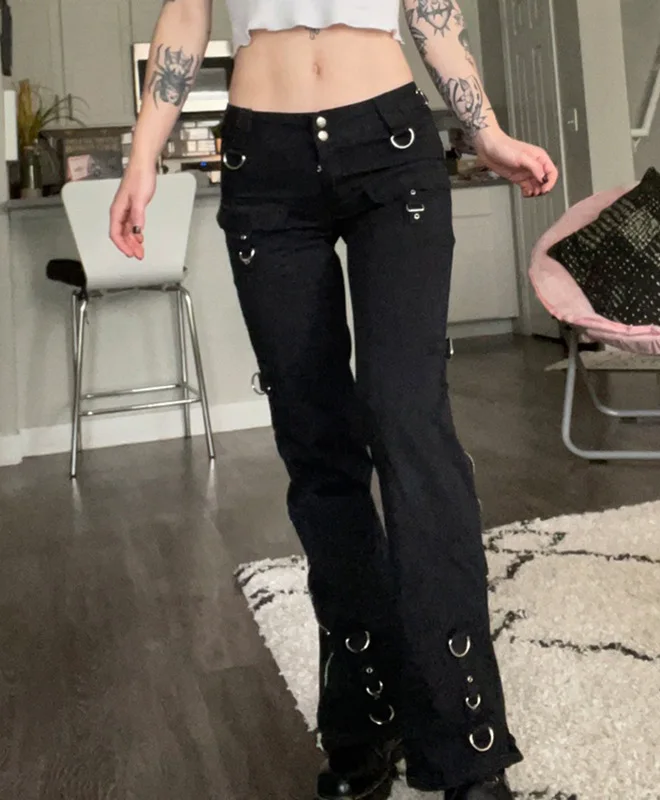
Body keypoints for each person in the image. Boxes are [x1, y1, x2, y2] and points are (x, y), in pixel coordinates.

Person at [110, 2, 558, 798]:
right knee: (316, 444)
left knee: (409, 426)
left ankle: (466, 740)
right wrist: (144, 153)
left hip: (389, 146)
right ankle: (365, 713)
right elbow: (185, 12)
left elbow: (430, 12)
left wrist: (484, 130)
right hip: (263, 161)